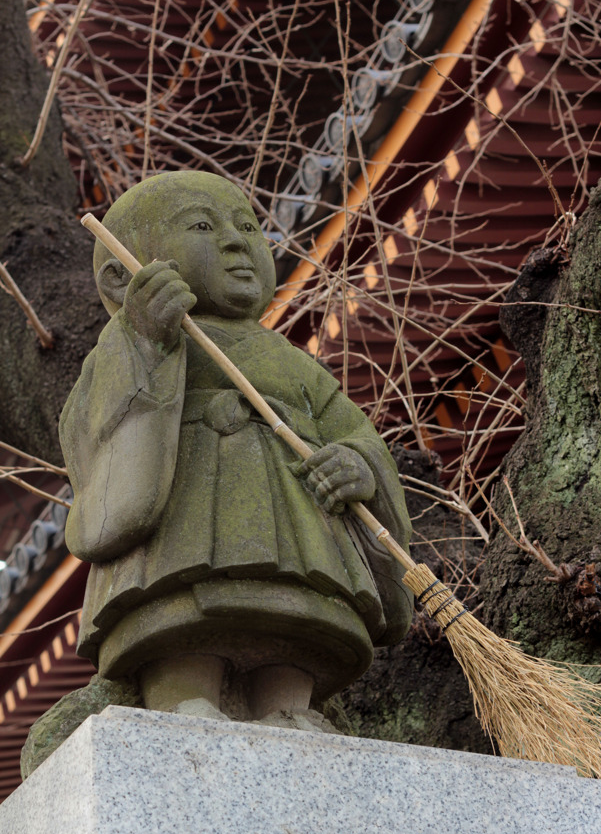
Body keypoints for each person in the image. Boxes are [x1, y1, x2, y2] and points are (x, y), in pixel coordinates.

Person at [60, 170, 412, 729]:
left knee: (296, 623)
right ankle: (183, 695)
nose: (236, 240)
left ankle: (287, 706)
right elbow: (93, 429)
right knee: (183, 615)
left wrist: (359, 463)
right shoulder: (131, 344)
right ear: (116, 275)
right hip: (188, 523)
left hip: (299, 527)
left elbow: (356, 433)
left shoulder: (292, 360)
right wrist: (146, 339)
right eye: (203, 225)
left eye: (247, 225)